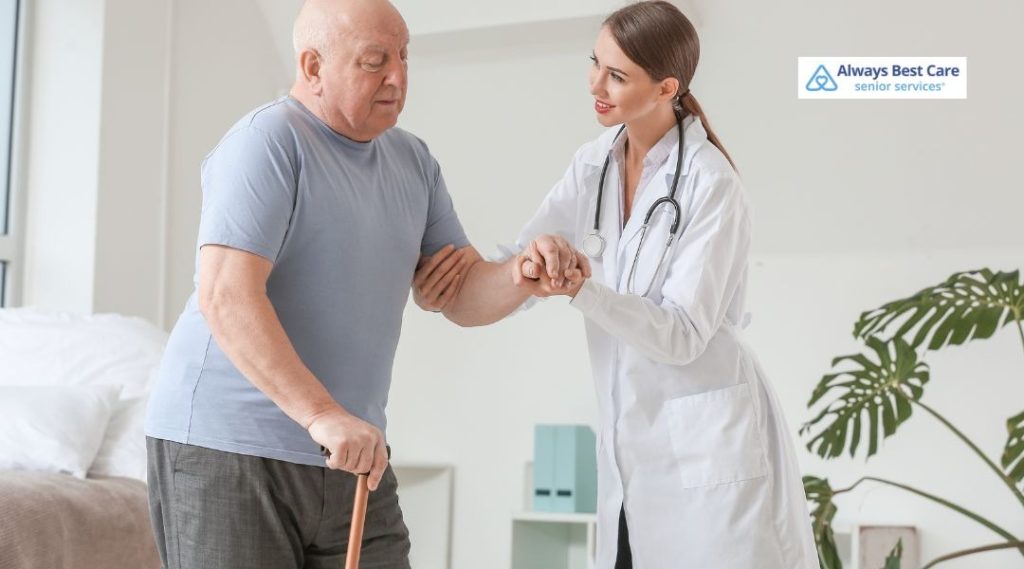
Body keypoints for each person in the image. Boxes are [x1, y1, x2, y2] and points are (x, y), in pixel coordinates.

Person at [415, 2, 818, 567]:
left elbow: (682, 334)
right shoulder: (593, 165)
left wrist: (582, 289)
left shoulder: (711, 183)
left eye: (617, 76)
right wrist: (515, 271)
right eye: (595, 63)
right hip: (630, 462)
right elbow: (516, 269)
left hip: (708, 460)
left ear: (666, 88)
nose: (594, 85)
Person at [142, 0, 489, 567]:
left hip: (350, 451)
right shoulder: (267, 141)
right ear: (312, 67)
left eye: (403, 57)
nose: (397, 77)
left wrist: (527, 275)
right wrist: (322, 414)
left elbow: (462, 292)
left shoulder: (414, 161)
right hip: (229, 445)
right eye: (375, 61)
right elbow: (226, 295)